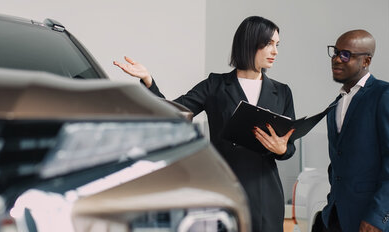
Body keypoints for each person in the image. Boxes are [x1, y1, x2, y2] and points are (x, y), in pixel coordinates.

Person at [114, 16, 295, 232]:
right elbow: (174, 112)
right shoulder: (215, 85)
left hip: (266, 194)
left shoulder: (282, 92)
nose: (275, 51)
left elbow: (290, 145)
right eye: (268, 44)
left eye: (277, 45)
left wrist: (283, 149)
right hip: (224, 189)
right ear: (249, 43)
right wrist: (148, 81)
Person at [318, 30, 389, 232]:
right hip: (337, 217)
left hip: (373, 220)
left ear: (366, 61)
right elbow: (337, 163)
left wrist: (378, 216)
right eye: (335, 52)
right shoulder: (334, 105)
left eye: (345, 54)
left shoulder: (388, 94)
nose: (336, 59)